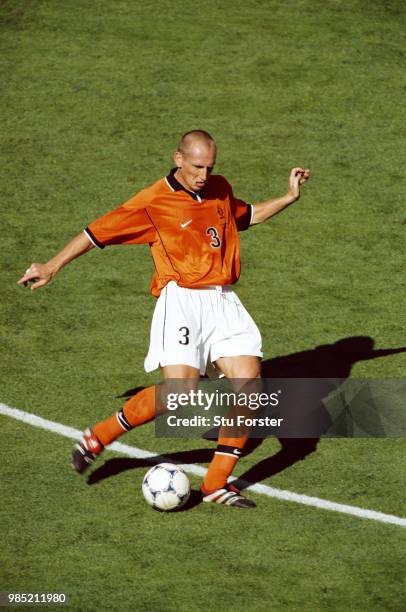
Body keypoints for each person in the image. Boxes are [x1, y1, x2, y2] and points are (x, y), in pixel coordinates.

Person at [18, 130, 310, 509]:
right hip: (183, 301)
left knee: (250, 387)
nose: (204, 175)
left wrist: (288, 196)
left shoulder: (219, 187)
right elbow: (95, 232)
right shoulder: (153, 202)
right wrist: (52, 266)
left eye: (210, 166)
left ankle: (215, 484)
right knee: (180, 394)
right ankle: (99, 437)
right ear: (178, 158)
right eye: (197, 166)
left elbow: (245, 215)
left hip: (223, 301)